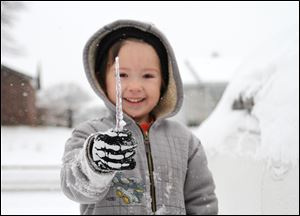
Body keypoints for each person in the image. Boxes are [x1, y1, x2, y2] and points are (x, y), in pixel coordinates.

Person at [60, 19, 218, 215]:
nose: (135, 86)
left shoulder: (185, 142)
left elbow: (202, 201)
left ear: (164, 82)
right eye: (122, 75)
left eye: (148, 76)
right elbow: (73, 185)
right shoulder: (89, 134)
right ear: (103, 80)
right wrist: (94, 163)